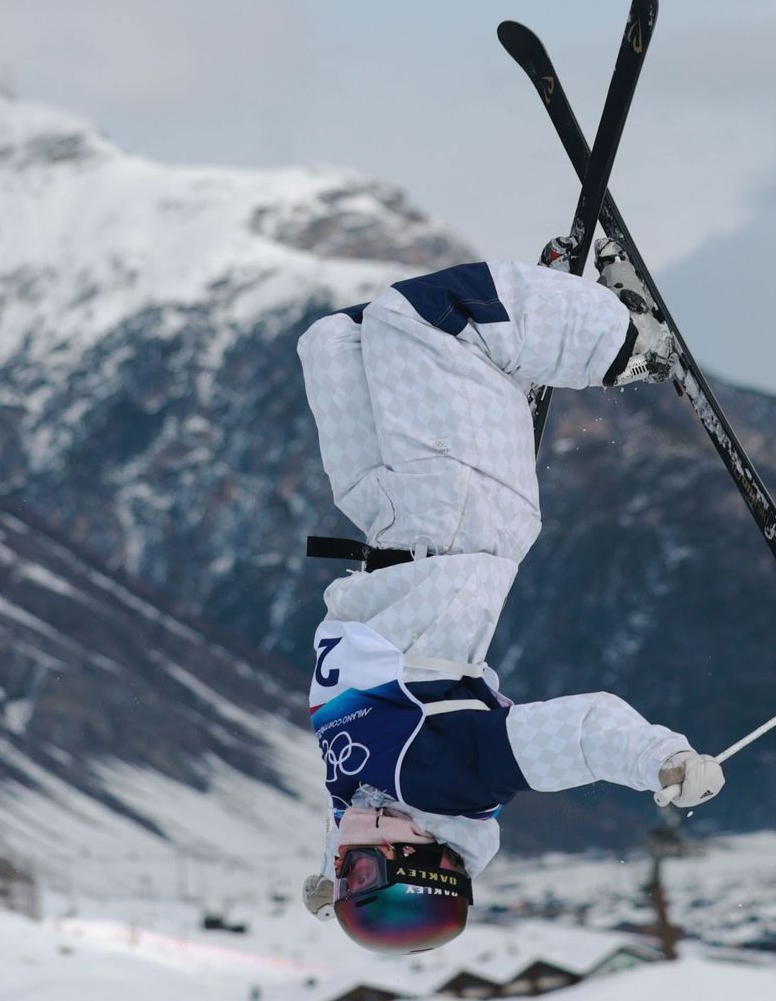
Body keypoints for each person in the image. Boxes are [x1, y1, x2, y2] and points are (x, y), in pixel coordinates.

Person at [296, 236, 725, 954]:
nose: (347, 862)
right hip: (460, 516)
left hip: (390, 521)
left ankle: (514, 363)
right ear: (422, 858)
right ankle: (628, 340)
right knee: (425, 317)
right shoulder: (451, 779)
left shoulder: (371, 802)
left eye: (345, 880)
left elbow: (351, 804)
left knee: (335, 339)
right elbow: (579, 734)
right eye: (362, 870)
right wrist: (664, 761)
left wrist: (328, 871)